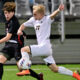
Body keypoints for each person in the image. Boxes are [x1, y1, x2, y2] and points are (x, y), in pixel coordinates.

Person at [17, 4, 80, 80]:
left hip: (44, 47)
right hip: (44, 49)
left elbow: (52, 15)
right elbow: (23, 25)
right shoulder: (33, 20)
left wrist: (58, 10)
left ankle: (26, 69)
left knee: (23, 49)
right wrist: (20, 30)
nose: (34, 16)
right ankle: (76, 75)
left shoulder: (47, 19)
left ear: (41, 14)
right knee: (55, 69)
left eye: (35, 14)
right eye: (33, 14)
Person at [0, 2, 43, 80]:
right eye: (5, 13)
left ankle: (38, 77)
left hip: (16, 47)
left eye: (8, 13)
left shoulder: (13, 21)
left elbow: (8, 37)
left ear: (13, 12)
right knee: (0, 61)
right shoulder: (9, 21)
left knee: (22, 68)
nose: (6, 15)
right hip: (8, 46)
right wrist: (23, 34)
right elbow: (17, 31)